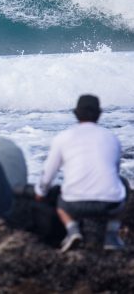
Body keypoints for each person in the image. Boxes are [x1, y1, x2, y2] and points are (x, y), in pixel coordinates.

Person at [35, 95, 127, 252]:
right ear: (99, 113)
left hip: (73, 204)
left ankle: (72, 230)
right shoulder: (112, 138)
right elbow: (115, 172)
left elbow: (47, 176)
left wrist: (40, 193)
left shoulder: (63, 137)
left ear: (76, 113)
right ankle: (111, 233)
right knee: (123, 184)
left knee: (59, 198)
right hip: (109, 205)